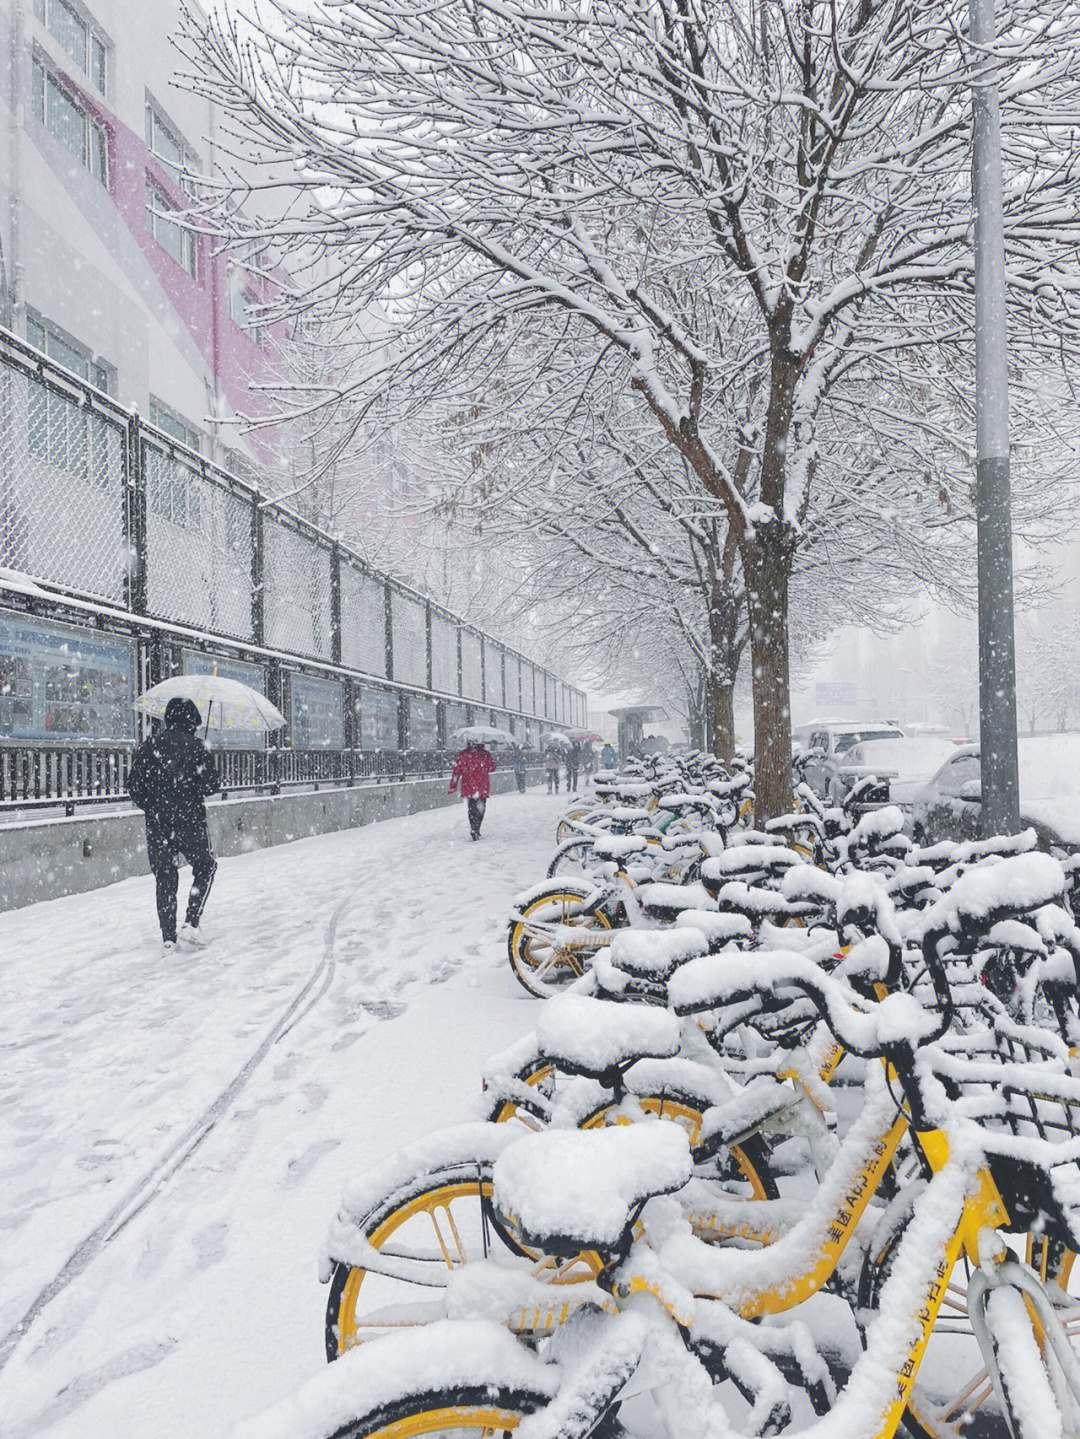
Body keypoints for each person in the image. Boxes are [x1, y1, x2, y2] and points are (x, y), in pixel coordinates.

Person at [128, 696, 220, 953]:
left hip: (158, 823)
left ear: (169, 718)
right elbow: (212, 786)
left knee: (165, 877)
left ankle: (168, 938)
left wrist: (155, 806)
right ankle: (191, 922)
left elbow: (134, 787)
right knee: (206, 866)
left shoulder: (149, 747)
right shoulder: (198, 747)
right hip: (190, 820)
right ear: (192, 721)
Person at [449, 739, 496, 840]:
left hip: (468, 785)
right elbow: (492, 768)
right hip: (482, 785)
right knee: (481, 808)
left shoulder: (463, 754)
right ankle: (477, 828)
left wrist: (453, 786)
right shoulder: (485, 754)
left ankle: (473, 827)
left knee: (471, 808)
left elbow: (456, 771)